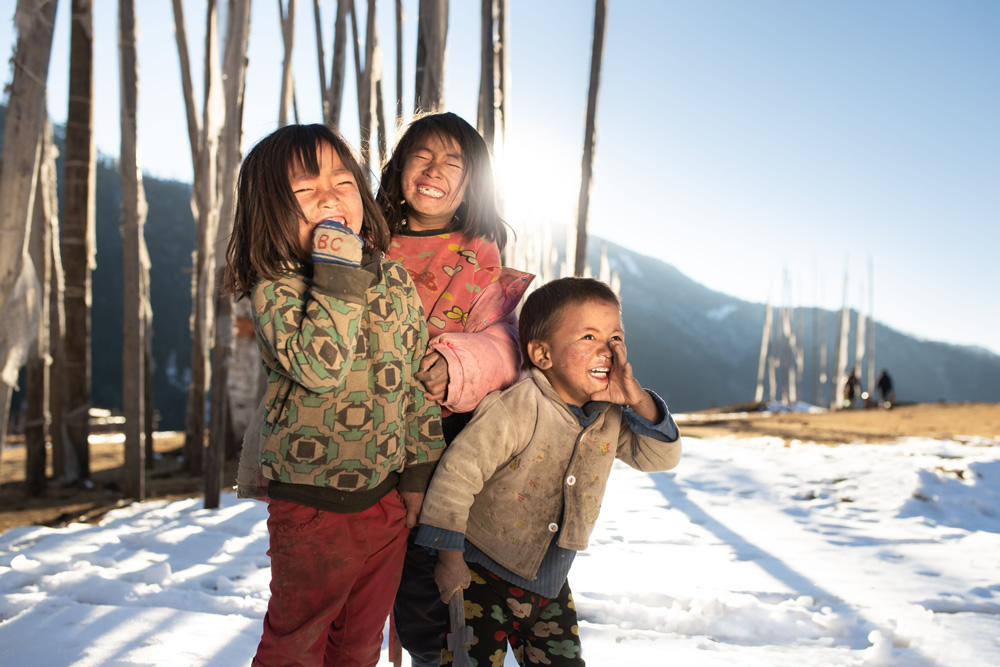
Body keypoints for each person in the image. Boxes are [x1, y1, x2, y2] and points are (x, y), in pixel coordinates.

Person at [224, 123, 446, 666]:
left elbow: (413, 384)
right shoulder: (277, 282)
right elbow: (318, 366)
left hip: (387, 497)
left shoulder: (394, 279)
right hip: (312, 503)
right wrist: (338, 271)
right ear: (270, 209)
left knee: (358, 644)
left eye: (343, 180)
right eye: (304, 189)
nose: (329, 195)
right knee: (296, 645)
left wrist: (417, 476)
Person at [416, 277, 682, 666]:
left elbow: (660, 459)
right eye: (588, 337)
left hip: (548, 581)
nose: (607, 350)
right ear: (543, 354)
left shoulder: (609, 414)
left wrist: (638, 400)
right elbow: (458, 476)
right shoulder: (519, 407)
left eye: (616, 338)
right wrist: (449, 558)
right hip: (478, 573)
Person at [377, 111, 533, 667]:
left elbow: (507, 344)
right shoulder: (369, 244)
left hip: (444, 439)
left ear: (474, 182)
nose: (434, 168)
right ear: (397, 168)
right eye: (421, 154)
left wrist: (457, 364)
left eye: (453, 161)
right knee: (367, 573)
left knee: (428, 568)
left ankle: (433, 656)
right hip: (364, 437)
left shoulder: (481, 258)